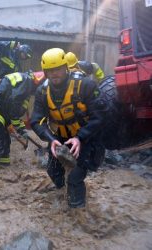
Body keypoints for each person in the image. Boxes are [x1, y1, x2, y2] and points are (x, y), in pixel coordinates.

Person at [30, 48, 106, 208]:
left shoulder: (86, 85)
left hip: (87, 138)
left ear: (66, 67)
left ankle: (77, 210)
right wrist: (51, 140)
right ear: (45, 72)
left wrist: (80, 137)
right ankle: (61, 192)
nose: (54, 74)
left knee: (74, 178)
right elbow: (36, 122)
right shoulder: (42, 91)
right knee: (52, 170)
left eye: (57, 69)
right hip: (61, 138)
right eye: (49, 70)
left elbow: (100, 117)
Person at [0, 71, 40, 170]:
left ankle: (4, 164)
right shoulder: (27, 82)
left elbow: (17, 110)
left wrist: (21, 127)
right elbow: (14, 103)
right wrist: (17, 125)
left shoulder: (25, 83)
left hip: (0, 110)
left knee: (5, 139)